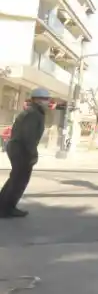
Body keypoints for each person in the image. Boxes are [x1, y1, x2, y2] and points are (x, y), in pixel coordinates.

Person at [0, 88, 51, 218]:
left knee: (16, 179)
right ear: (37, 100)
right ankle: (7, 208)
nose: (47, 102)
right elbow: (28, 136)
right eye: (45, 99)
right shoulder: (34, 113)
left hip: (18, 148)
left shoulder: (33, 112)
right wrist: (32, 154)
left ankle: (4, 206)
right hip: (21, 149)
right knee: (19, 180)